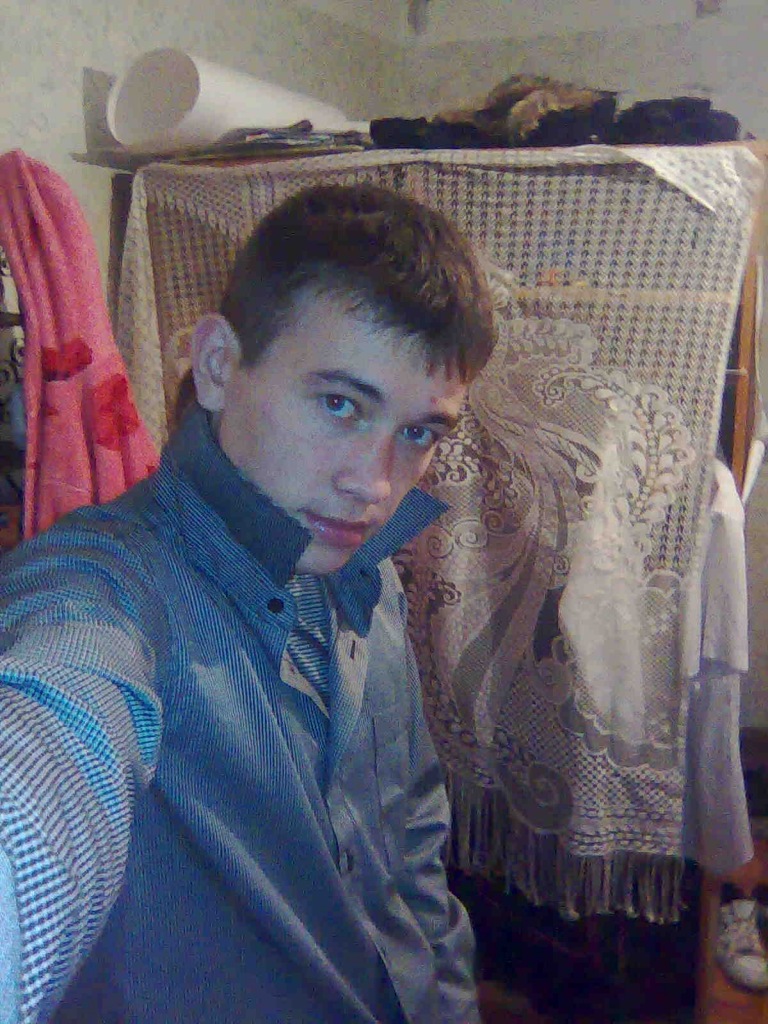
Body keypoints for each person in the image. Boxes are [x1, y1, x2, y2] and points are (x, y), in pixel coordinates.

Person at [0, 182, 496, 1024]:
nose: (375, 486)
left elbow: (412, 846)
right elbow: (51, 731)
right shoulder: (104, 587)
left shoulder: (365, 574)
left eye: (416, 432)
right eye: (340, 404)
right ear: (220, 365)